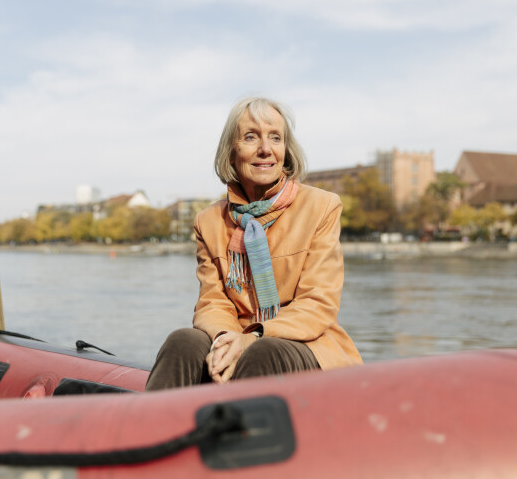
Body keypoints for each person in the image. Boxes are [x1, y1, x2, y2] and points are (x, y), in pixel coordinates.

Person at [145, 97, 362, 390]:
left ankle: (238, 434)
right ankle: (156, 431)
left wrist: (253, 337)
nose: (265, 149)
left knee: (262, 352)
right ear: (231, 152)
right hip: (235, 337)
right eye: (251, 137)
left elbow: (317, 304)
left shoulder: (322, 206)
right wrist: (225, 339)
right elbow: (213, 302)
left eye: (276, 137)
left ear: (286, 152)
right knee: (182, 341)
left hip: (309, 344)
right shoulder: (208, 221)